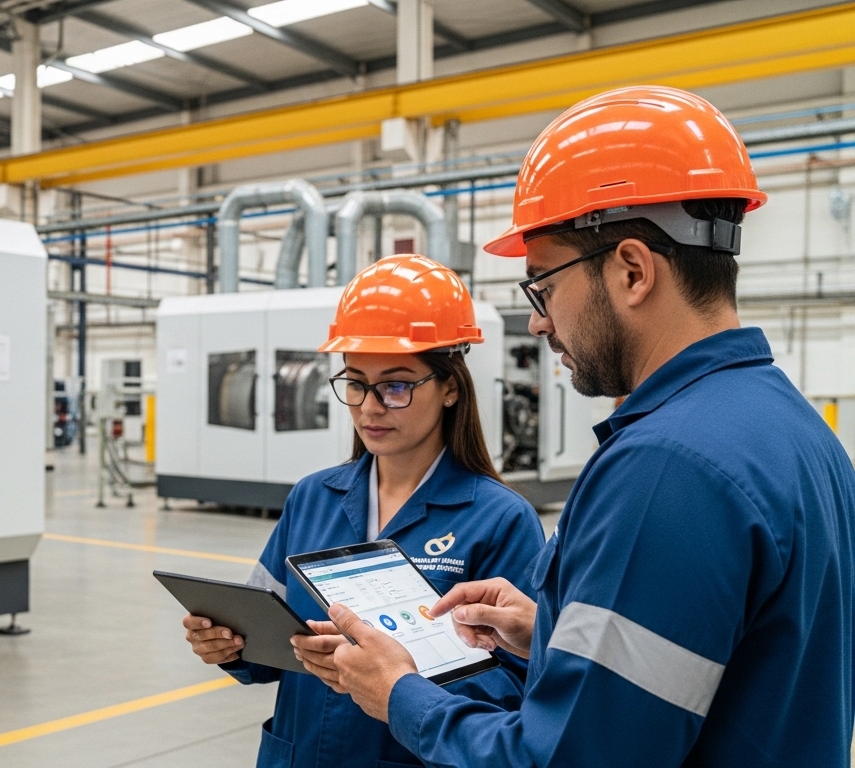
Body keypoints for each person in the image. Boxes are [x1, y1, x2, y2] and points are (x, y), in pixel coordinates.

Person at [293, 85, 855, 766]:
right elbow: (724, 671)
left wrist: (402, 693)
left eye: (544, 285)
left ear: (631, 271)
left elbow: (566, 759)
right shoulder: (798, 434)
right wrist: (548, 630)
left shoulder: (667, 468)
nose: (538, 320)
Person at [182, 254, 545, 767]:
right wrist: (231, 647)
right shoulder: (313, 496)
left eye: (395, 386)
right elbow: (267, 636)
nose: (370, 407)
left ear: (450, 388)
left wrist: (401, 674)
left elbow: (522, 683)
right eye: (355, 383)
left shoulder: (498, 519)